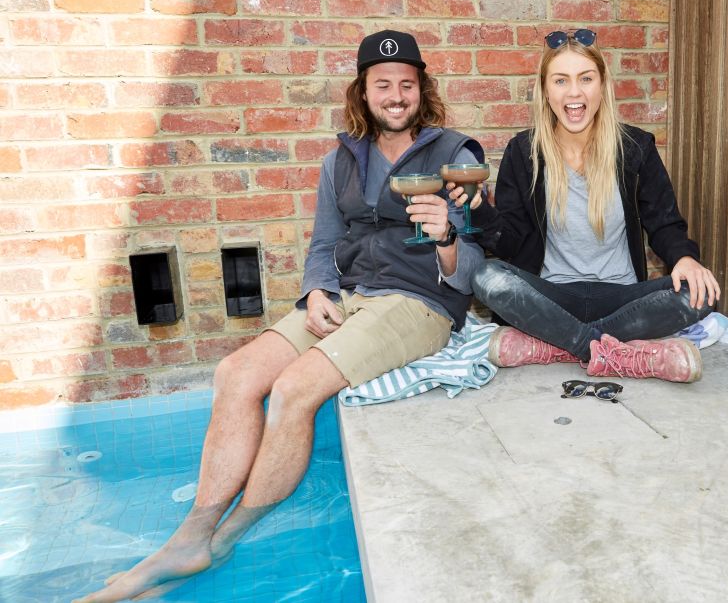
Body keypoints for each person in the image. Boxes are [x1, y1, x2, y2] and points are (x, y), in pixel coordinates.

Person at [76, 30, 484, 602]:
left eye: (407, 85)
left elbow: (470, 272)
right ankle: (192, 535)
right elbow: (323, 244)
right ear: (362, 93)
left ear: (423, 90)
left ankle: (228, 538)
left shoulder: (458, 157)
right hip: (346, 293)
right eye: (382, 85)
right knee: (235, 376)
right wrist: (317, 289)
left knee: (294, 390)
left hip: (417, 302)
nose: (396, 96)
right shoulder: (340, 160)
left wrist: (445, 234)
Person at [456, 28, 720, 382]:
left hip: (623, 298)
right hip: (553, 296)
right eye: (561, 80)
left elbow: (664, 222)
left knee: (700, 294)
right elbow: (509, 243)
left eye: (586, 78)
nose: (574, 92)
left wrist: (685, 259)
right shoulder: (523, 152)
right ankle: (619, 354)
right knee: (487, 276)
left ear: (602, 85)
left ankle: (556, 345)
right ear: (545, 90)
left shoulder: (635, 148)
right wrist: (480, 210)